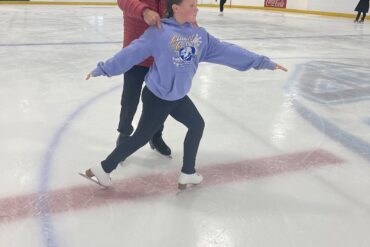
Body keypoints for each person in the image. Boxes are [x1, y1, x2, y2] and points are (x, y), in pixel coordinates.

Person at [82, 0, 288, 189]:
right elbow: (129, 54)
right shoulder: (158, 33)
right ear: (176, 8)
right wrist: (103, 69)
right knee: (140, 138)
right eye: (191, 4)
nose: (197, 9)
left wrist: (263, 62)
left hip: (178, 97)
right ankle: (103, 168)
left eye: (196, 4)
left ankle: (188, 173)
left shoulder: (199, 35)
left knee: (197, 125)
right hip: (157, 98)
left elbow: (228, 51)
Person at [116, 0, 171, 157]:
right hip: (136, 51)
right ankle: (124, 135)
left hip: (161, 54)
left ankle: (155, 135)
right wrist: (144, 11)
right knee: (129, 98)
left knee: (160, 100)